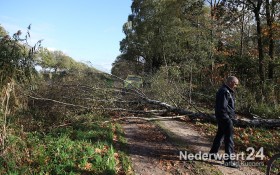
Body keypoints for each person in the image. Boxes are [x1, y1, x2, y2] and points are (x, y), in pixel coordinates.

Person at [209, 76, 239, 168]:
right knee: (229, 139)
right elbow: (222, 107)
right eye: (235, 84)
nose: (236, 86)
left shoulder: (226, 91)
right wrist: (227, 118)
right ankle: (229, 160)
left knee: (220, 135)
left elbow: (228, 106)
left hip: (223, 117)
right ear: (230, 82)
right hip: (225, 118)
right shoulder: (224, 91)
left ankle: (213, 154)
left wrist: (233, 115)